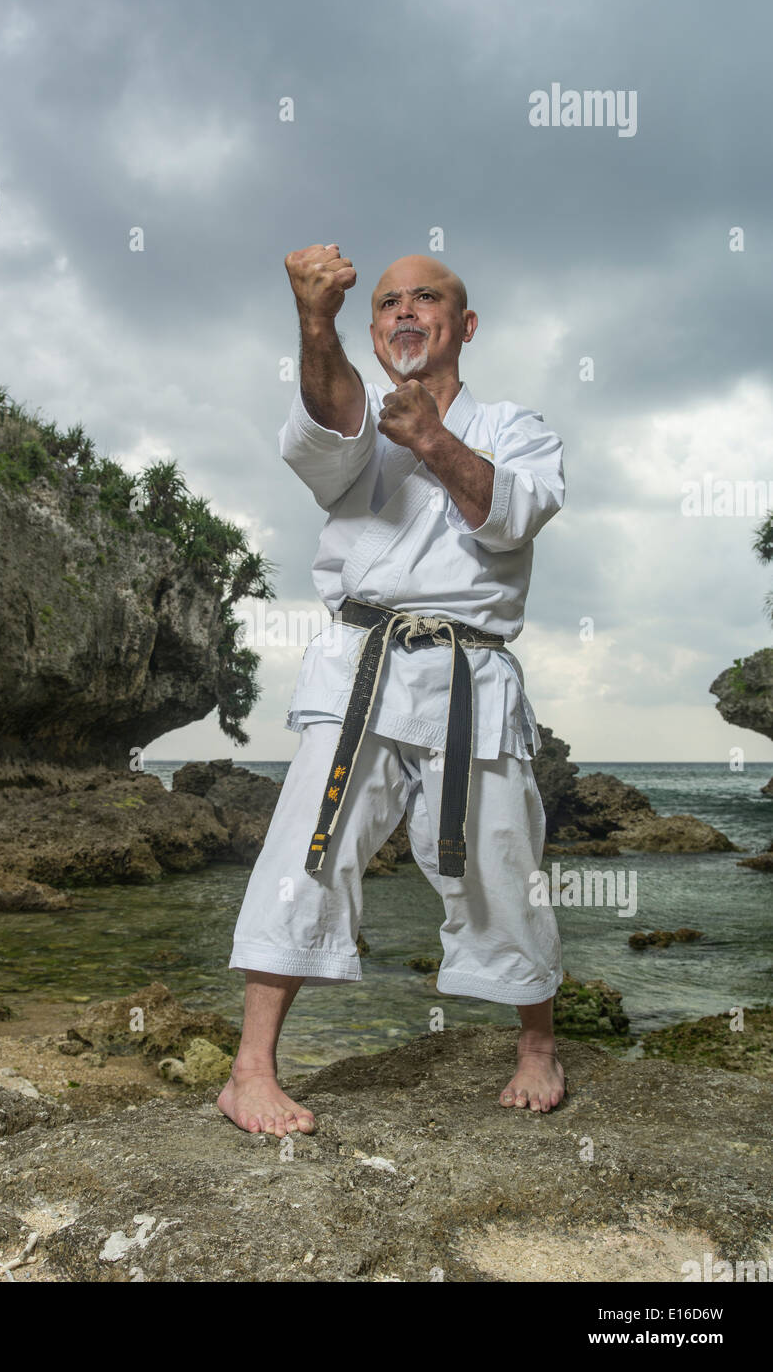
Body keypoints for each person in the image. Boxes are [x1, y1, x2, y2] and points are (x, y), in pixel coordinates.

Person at [218, 244, 566, 1137]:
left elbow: (513, 515)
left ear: (465, 324)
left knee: (502, 861)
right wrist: (313, 318)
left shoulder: (519, 427)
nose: (405, 313)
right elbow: (330, 434)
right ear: (370, 328)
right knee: (306, 845)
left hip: (470, 672)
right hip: (359, 666)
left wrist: (434, 440)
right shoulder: (352, 410)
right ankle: (249, 1070)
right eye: (385, 305)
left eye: (426, 299)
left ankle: (537, 1043)